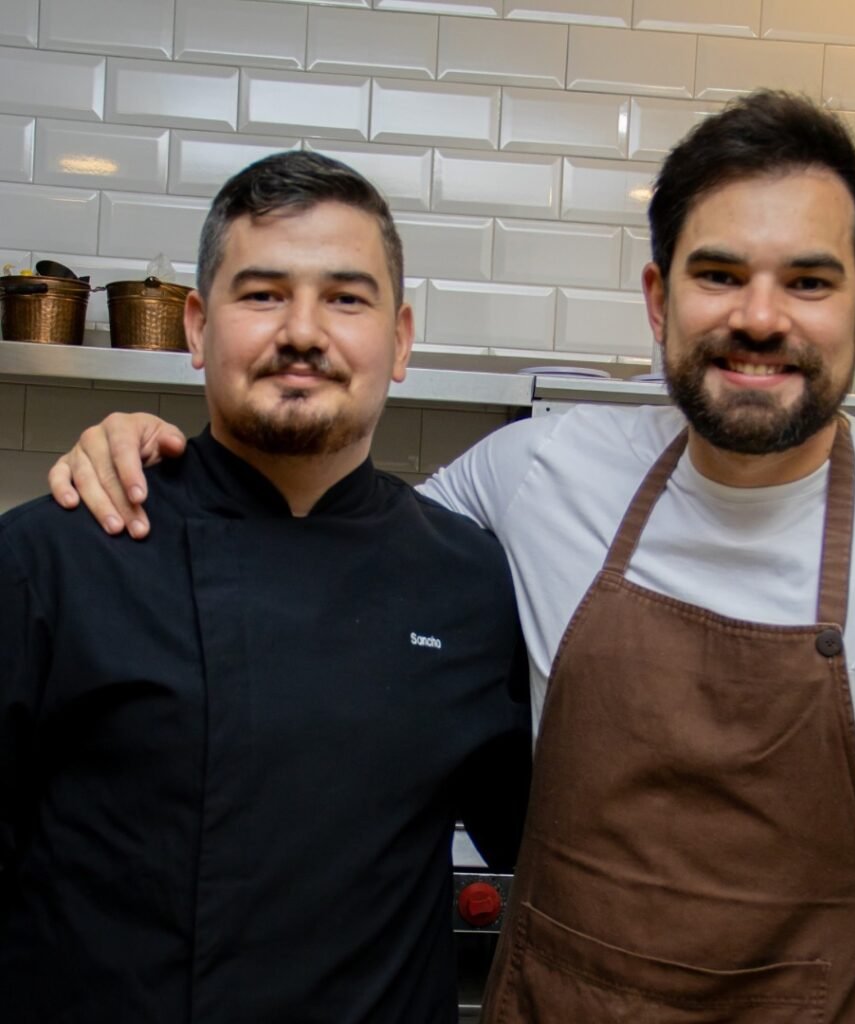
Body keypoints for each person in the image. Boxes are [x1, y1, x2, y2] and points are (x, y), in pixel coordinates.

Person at [47, 92, 855, 1021]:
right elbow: (320, 536)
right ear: (657, 297)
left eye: (809, 281)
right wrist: (157, 460)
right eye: (717, 275)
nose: (759, 317)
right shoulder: (535, 470)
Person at [0, 150, 533, 1023]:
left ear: (398, 342)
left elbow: (552, 850)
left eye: (346, 298)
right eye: (263, 294)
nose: (303, 332)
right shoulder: (55, 557)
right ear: (196, 328)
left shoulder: (468, 579)